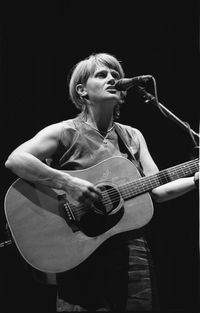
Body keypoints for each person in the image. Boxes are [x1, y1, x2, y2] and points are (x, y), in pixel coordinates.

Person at [5, 52, 199, 312]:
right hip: (79, 251)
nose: (112, 79)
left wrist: (195, 180)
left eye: (116, 75)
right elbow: (16, 159)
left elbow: (156, 189)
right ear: (82, 90)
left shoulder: (133, 137)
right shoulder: (65, 132)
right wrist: (68, 183)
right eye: (102, 74)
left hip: (131, 254)